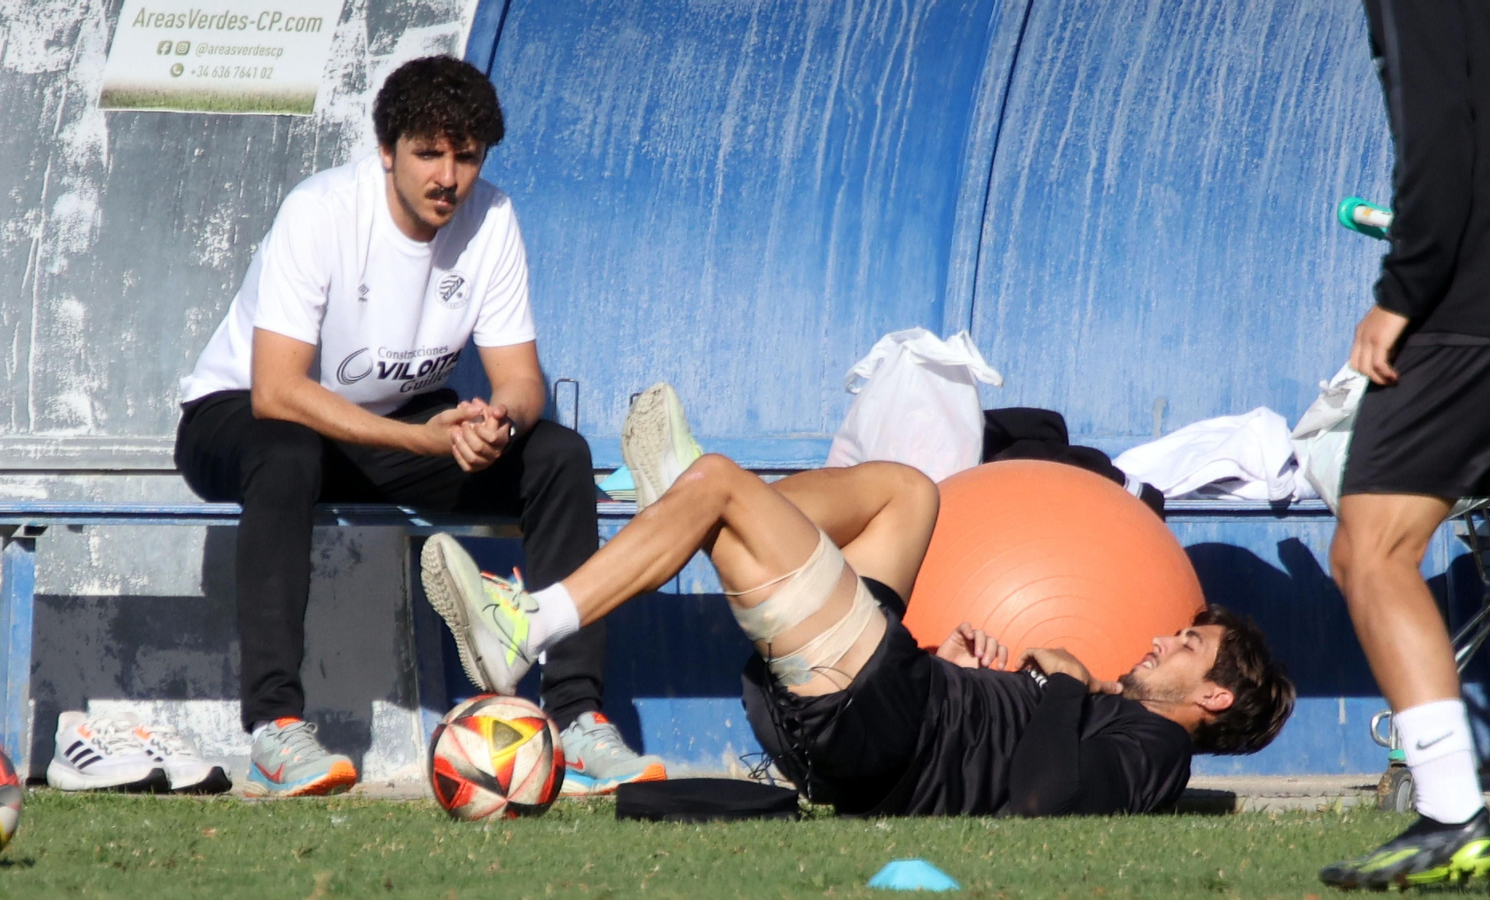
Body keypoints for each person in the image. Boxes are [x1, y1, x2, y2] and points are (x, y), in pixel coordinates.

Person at [422, 384, 1295, 816]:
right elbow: (1009, 757)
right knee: (910, 494)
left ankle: (535, 622)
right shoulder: (1129, 720)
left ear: (1214, 697)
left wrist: (1058, 679)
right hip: (895, 697)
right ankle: (687, 509)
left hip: (879, 719)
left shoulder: (1157, 752)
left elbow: (1041, 801)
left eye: (1187, 644)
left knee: (724, 482)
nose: (1161, 638)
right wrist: (985, 680)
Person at [168, 56, 663, 797]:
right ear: (387, 150)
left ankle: (576, 720)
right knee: (287, 447)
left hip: (382, 429)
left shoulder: (492, 218)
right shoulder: (323, 209)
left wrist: (497, 422)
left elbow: (522, 381)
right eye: (429, 152)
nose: (448, 177)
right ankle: (275, 731)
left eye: (466, 156)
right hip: (240, 416)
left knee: (559, 455)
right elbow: (277, 389)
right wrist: (428, 438)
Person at [1319, 1, 1490, 888]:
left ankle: (1454, 815)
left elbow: (1441, 143)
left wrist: (1402, 290)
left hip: (1465, 309)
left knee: (1372, 550)